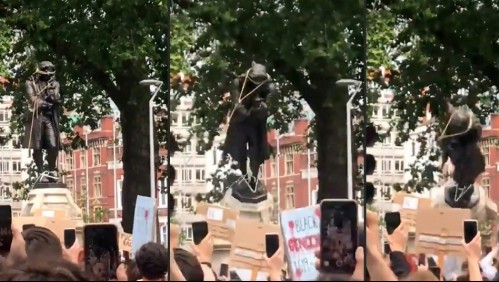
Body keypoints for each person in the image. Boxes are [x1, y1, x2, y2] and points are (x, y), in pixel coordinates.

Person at [23, 61, 63, 183]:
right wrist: (44, 102)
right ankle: (41, 172)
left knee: (53, 145)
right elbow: (31, 99)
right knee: (37, 146)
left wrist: (53, 97)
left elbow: (56, 97)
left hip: (49, 117)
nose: (48, 76)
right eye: (46, 73)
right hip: (36, 117)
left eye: (50, 73)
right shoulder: (30, 83)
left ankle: (51, 170)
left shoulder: (54, 84)